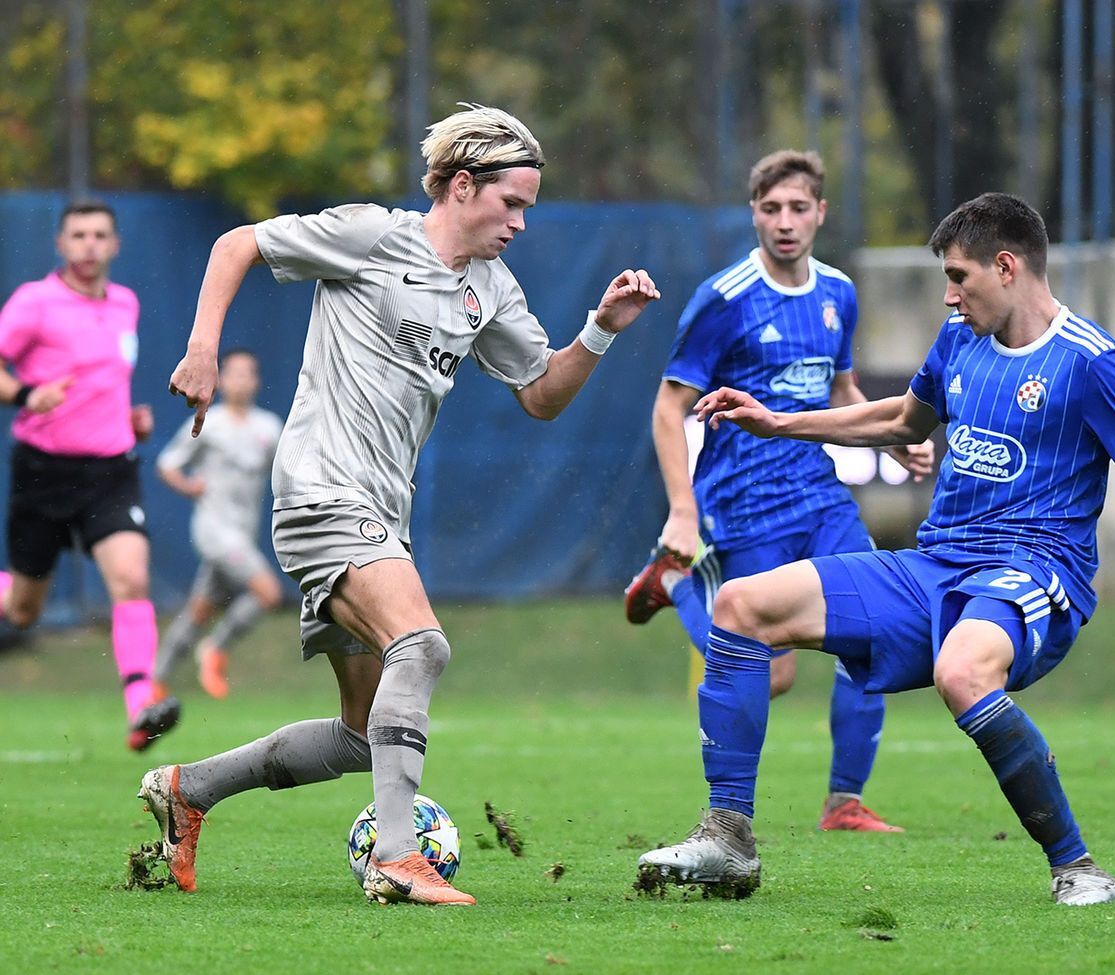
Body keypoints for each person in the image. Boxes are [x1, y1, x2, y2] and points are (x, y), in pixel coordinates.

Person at [638, 192, 1115, 906]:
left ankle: (1076, 867)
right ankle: (727, 840)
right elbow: (899, 419)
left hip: (1034, 571)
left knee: (962, 669)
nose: (949, 295)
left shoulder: (1094, 363)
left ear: (1006, 266)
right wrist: (778, 421)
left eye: (959, 277)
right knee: (739, 602)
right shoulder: (959, 340)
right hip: (935, 565)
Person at [139, 103, 660, 907]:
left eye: (528, 207)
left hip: (383, 510)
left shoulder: (491, 288)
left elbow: (543, 395)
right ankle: (394, 855)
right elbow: (235, 242)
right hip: (320, 488)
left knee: (359, 733)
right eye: (510, 203)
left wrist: (599, 329)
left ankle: (189, 788)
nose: (519, 223)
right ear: (460, 184)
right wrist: (203, 346)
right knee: (422, 643)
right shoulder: (373, 235)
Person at [624, 150, 932, 832]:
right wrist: (683, 509)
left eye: (798, 208)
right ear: (754, 214)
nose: (785, 223)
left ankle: (843, 801)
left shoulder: (838, 293)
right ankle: (676, 584)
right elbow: (667, 407)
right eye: (771, 209)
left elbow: (844, 394)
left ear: (820, 212)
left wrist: (895, 435)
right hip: (744, 503)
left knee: (876, 634)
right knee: (768, 673)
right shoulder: (725, 298)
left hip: (820, 497)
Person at [0, 200, 179, 752]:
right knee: (24, 611)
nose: (90, 245)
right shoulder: (35, 303)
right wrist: (29, 394)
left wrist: (126, 420)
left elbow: (103, 383)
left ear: (116, 245)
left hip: (110, 469)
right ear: (60, 244)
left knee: (130, 578)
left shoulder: (125, 304)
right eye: (78, 235)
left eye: (100, 235)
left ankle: (141, 703)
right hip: (43, 472)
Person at [154, 348, 284, 699]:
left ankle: (156, 681)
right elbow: (167, 464)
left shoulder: (269, 427)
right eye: (234, 372)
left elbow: (287, 471)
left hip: (241, 533)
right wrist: (188, 486)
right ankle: (214, 649)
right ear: (222, 379)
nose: (241, 379)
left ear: (256, 381)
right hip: (213, 530)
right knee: (268, 593)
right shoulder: (208, 422)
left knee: (200, 610)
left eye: (248, 373)